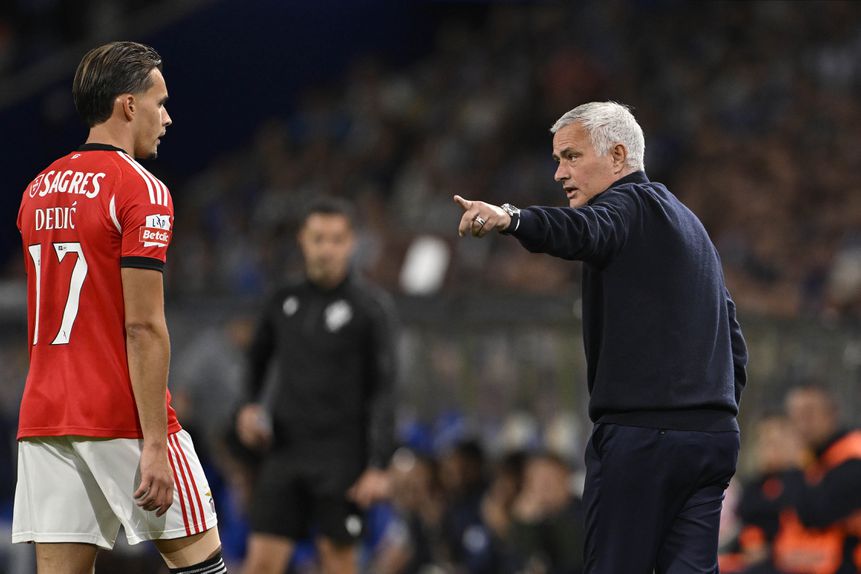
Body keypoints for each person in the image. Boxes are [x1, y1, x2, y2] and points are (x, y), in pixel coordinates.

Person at [454, 101, 748, 573]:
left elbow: (583, 231)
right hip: (711, 439)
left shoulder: (624, 208)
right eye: (558, 159)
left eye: (571, 156)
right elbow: (733, 338)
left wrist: (512, 218)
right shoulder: (691, 227)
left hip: (643, 438)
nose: (559, 173)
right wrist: (710, 411)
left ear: (617, 156)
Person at [12, 42, 226, 573]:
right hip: (119, 413)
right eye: (160, 102)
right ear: (129, 105)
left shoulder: (36, 190)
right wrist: (155, 442)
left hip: (45, 417)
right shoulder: (140, 189)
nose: (167, 118)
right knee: (203, 566)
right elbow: (143, 327)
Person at [236, 198, 397, 574]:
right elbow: (256, 359)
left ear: (351, 243)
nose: (327, 249)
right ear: (302, 240)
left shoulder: (371, 307)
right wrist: (248, 406)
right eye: (318, 238)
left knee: (338, 562)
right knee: (261, 563)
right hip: (286, 451)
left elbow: (385, 388)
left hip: (342, 458)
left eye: (336, 239)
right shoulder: (282, 299)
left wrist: (379, 464)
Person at [770, 385, 861, 573]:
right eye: (794, 416)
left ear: (831, 414)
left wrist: (796, 463)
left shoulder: (853, 457)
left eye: (809, 414)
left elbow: (815, 515)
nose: (801, 424)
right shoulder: (812, 459)